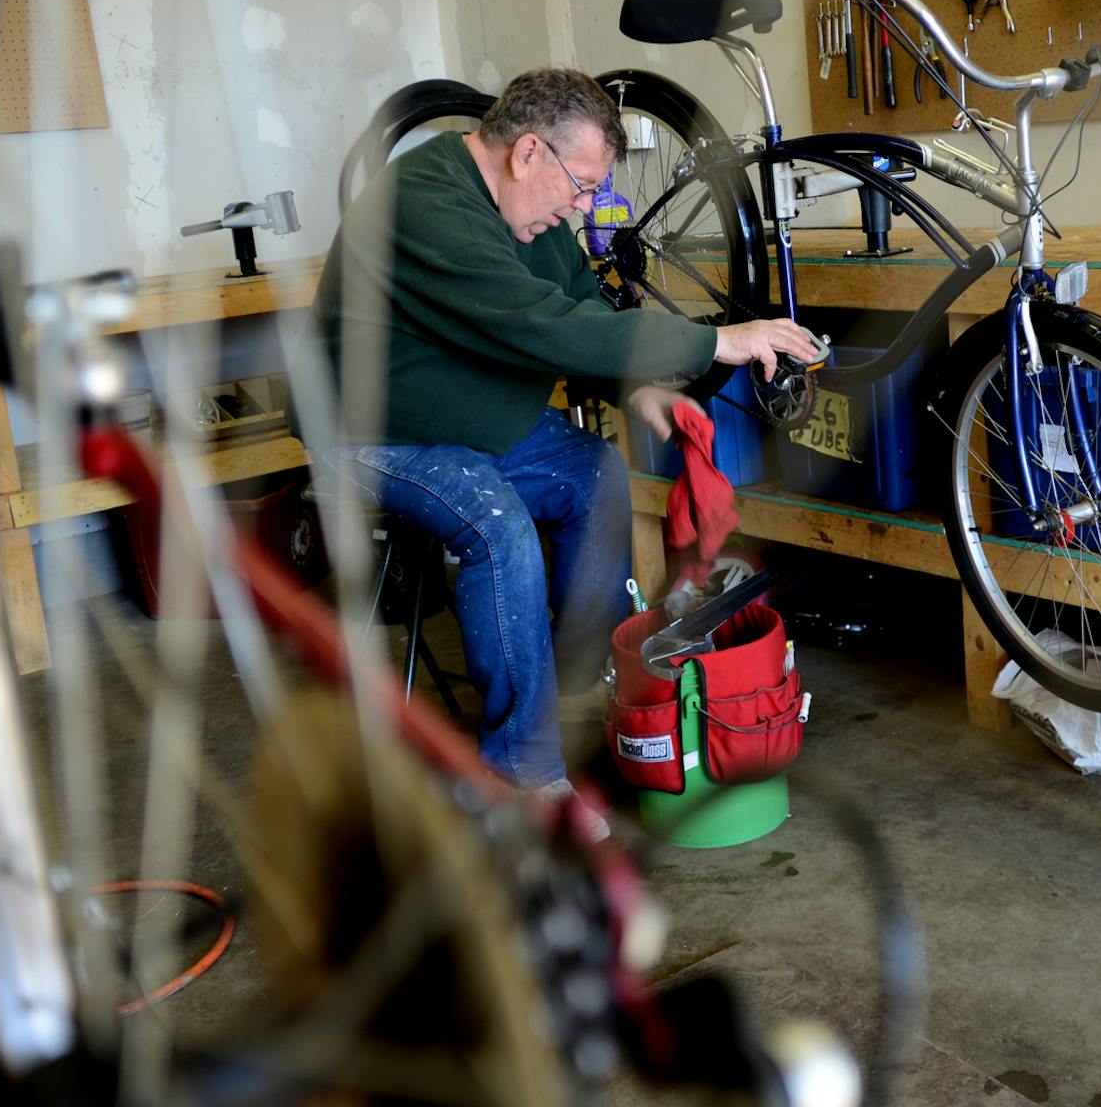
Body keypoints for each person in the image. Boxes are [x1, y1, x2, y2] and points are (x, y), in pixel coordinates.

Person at [296, 67, 815, 802]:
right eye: (579, 186)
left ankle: (587, 684)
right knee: (496, 524)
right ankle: (524, 775)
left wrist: (636, 391)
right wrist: (716, 342)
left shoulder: (530, 216)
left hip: (462, 412)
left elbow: (584, 309)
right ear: (529, 153)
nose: (581, 209)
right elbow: (548, 327)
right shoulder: (420, 201)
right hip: (371, 428)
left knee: (593, 473)